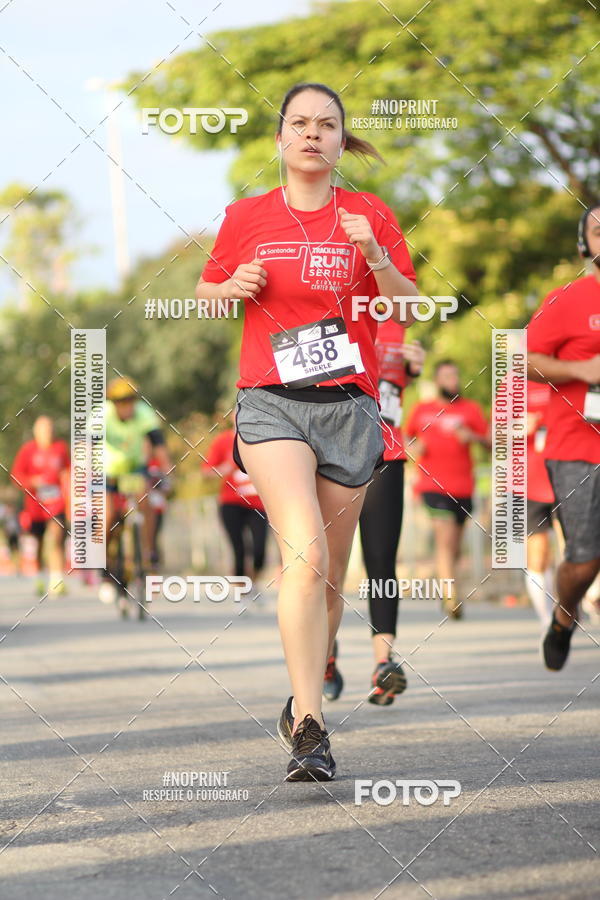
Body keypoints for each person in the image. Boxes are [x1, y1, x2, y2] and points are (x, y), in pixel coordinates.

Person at [195, 81, 418, 781]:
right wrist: (230, 290)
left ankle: (303, 694)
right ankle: (312, 729)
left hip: (350, 408)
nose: (312, 133)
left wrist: (376, 257)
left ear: (341, 137)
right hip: (272, 405)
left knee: (328, 582)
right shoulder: (248, 216)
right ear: (281, 139)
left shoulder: (370, 214)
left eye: (327, 124)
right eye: (300, 123)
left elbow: (412, 303)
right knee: (307, 555)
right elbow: (206, 290)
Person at [323, 323, 425, 706]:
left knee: (381, 560)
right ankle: (324, 655)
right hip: (333, 451)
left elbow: (392, 392)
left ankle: (384, 665)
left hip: (386, 451)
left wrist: (412, 369)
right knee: (328, 564)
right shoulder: (331, 305)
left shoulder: (397, 326)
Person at [527, 202, 600, 670]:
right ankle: (563, 615)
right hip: (578, 446)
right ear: (585, 243)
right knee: (586, 557)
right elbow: (525, 359)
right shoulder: (567, 299)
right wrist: (580, 368)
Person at [405, 361, 490, 619]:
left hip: (464, 485)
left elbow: (490, 442)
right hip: (431, 484)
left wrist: (472, 437)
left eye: (455, 374)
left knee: (454, 543)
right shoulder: (421, 410)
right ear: (437, 380)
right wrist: (413, 448)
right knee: (445, 537)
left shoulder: (471, 410)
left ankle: (448, 585)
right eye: (446, 375)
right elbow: (405, 437)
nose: (452, 379)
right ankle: (451, 595)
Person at [100, 377, 172, 606]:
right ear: (113, 403)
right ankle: (105, 567)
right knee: (110, 514)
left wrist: (168, 472)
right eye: (121, 401)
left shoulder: (144, 413)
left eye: (130, 400)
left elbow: (158, 446)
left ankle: (148, 553)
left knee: (145, 502)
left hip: (133, 468)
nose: (127, 406)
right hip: (108, 469)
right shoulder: (101, 416)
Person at [203, 416, 268, 581]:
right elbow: (206, 472)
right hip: (231, 503)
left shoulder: (264, 438)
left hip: (258, 504)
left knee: (259, 550)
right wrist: (226, 468)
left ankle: (253, 583)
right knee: (239, 550)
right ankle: (243, 591)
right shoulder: (222, 440)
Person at [10, 416, 70, 596]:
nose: (47, 433)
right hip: (35, 507)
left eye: (50, 429)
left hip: (56, 504)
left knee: (56, 537)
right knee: (39, 542)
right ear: (36, 432)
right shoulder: (27, 450)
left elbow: (68, 470)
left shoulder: (60, 448)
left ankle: (57, 580)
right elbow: (16, 476)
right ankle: (39, 578)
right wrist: (32, 482)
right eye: (43, 429)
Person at [524, 380, 558, 627]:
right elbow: (493, 435)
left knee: (577, 550)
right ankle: (548, 621)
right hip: (529, 482)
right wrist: (517, 427)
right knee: (539, 555)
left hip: (570, 475)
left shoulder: (570, 376)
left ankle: (582, 600)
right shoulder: (512, 384)